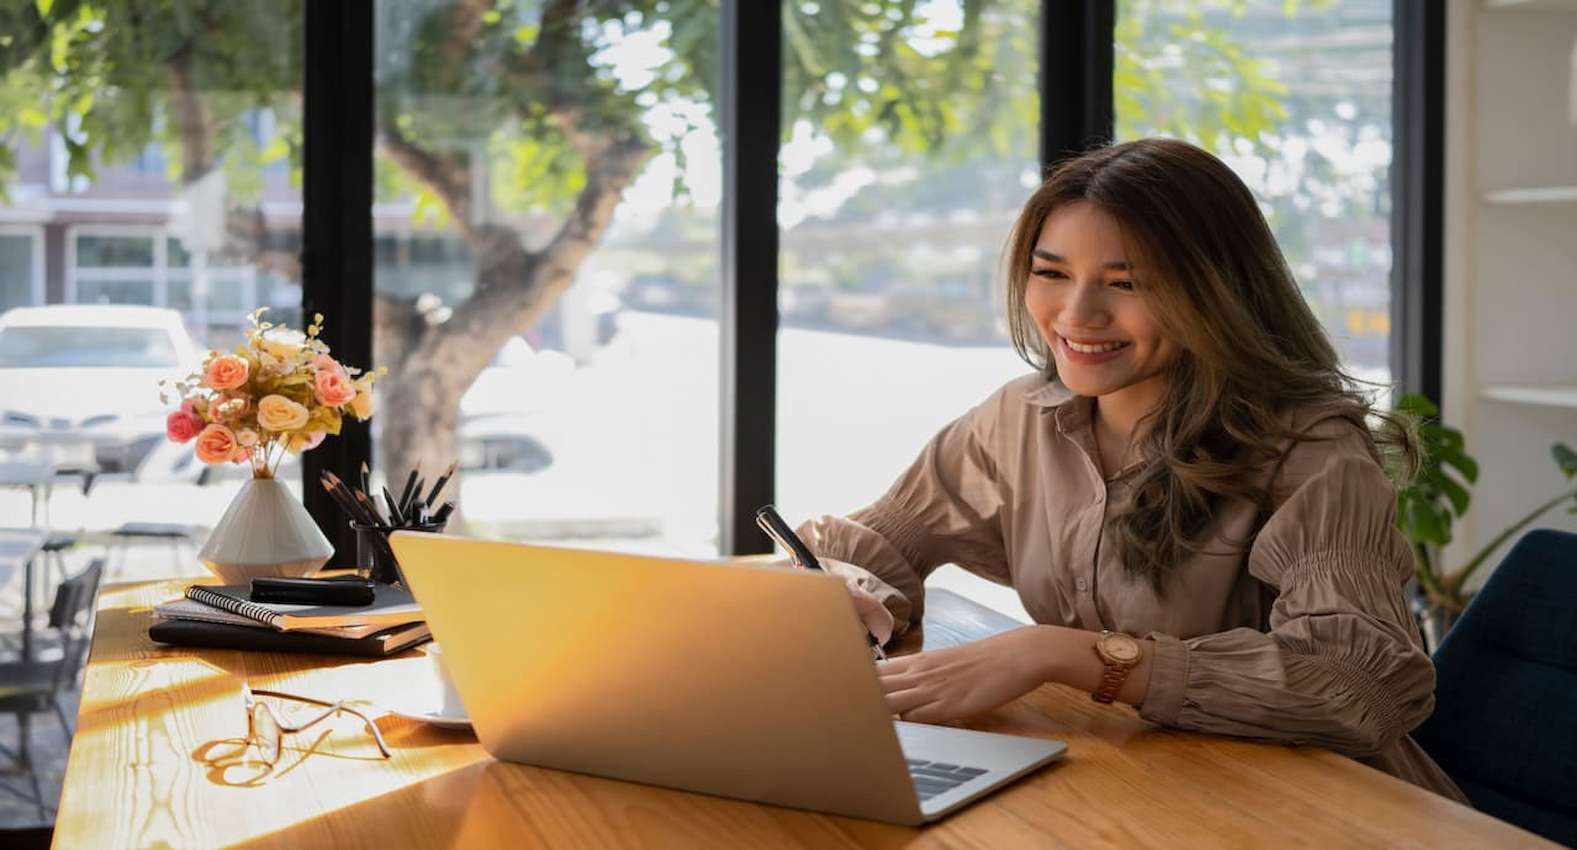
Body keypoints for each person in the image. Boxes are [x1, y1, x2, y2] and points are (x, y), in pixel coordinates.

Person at [795, 137, 1466, 802]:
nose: (1077, 315)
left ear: (1214, 293)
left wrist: (1063, 655)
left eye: (1126, 284)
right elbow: (874, 542)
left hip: (1323, 809)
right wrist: (852, 601)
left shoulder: (1308, 449)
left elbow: (1357, 687)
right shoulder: (1018, 418)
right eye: (1051, 273)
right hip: (1146, 786)